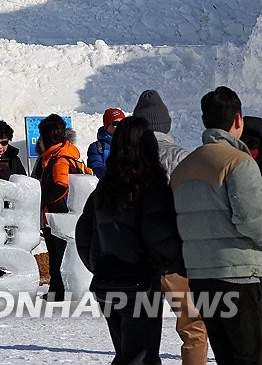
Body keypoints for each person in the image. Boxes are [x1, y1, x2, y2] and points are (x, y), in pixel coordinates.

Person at [76, 115, 183, 365]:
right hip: (140, 283)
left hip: (106, 281)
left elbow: (84, 232)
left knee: (125, 353)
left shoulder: (103, 187)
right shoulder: (150, 185)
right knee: (141, 356)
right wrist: (175, 262)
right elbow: (160, 237)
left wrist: (98, 265)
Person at [172, 87, 262, 365]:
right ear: (238, 120)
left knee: (226, 355)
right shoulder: (239, 162)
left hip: (200, 277)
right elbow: (254, 220)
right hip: (241, 276)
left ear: (204, 121)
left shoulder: (184, 167)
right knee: (251, 356)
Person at [133, 89, 208, 365]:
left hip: (135, 258)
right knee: (193, 328)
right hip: (176, 257)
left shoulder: (125, 159)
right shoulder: (181, 157)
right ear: (167, 125)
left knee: (139, 336)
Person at [32, 114, 85, 301]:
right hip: (61, 215)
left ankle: (59, 292)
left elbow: (60, 185)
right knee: (59, 257)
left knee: (59, 257)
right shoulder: (61, 154)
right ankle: (57, 290)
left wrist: (41, 201)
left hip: (59, 215)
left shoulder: (60, 158)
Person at [87, 108, 124, 179]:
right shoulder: (97, 147)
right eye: (115, 123)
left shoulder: (132, 144)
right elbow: (96, 168)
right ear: (106, 127)